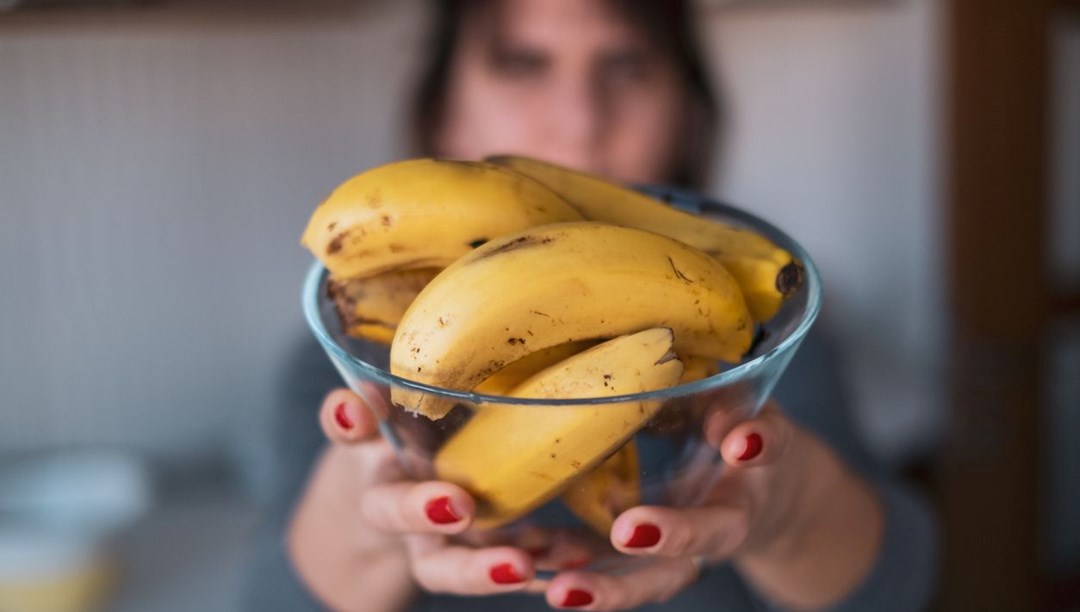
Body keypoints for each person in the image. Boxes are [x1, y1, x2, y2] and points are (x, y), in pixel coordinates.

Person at [244, 0, 938, 610]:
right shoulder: (349, 362)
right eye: (523, 62)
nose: (581, 122)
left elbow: (903, 584)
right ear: (443, 112)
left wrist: (788, 511)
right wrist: (362, 521)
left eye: (628, 66)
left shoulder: (761, 338)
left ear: (687, 109)